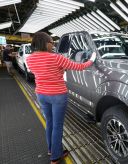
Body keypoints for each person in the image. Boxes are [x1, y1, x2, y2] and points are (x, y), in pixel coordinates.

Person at [26, 32, 96, 164]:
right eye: (52, 42)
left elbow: (42, 72)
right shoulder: (56, 58)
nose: (53, 45)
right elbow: (79, 67)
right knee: (57, 126)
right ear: (46, 43)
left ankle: (51, 150)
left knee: (50, 123)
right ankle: (55, 157)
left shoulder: (30, 59)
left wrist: (60, 70)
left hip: (41, 94)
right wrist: (91, 60)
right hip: (58, 95)